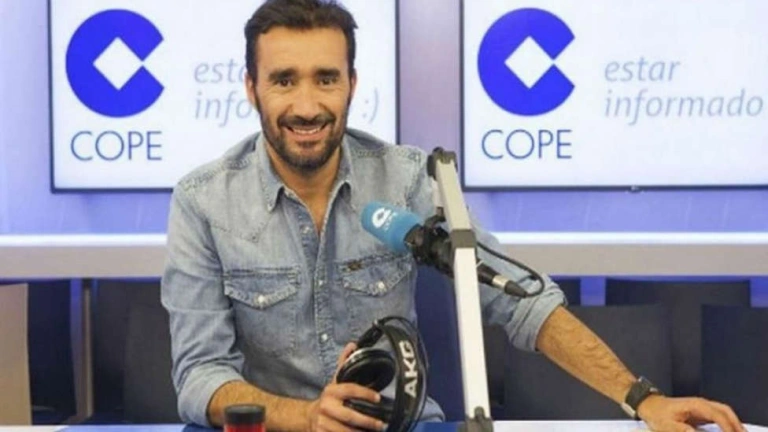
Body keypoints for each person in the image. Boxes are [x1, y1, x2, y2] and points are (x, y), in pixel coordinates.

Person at [161, 1, 745, 431]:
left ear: (352, 85)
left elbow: (521, 300)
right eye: (284, 80)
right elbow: (200, 376)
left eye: (326, 79)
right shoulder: (203, 201)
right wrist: (308, 417)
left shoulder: (406, 179)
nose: (307, 105)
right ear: (251, 88)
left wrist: (643, 399)